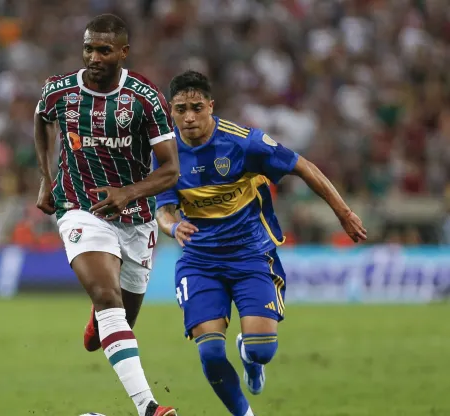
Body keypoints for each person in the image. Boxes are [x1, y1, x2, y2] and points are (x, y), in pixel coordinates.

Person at [154, 71, 367, 416]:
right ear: (171, 111)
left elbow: (304, 167)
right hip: (200, 262)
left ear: (211, 106)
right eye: (180, 109)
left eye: (196, 107)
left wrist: (343, 212)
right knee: (209, 352)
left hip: (250, 254)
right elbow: (162, 208)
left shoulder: (243, 142)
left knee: (262, 349)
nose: (189, 117)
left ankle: (250, 357)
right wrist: (173, 225)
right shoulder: (166, 153)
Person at [33, 13, 180, 416]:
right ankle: (149, 407)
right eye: (88, 48)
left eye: (103, 50)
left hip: (136, 218)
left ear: (122, 52)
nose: (93, 57)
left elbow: (171, 170)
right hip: (80, 208)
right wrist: (48, 179)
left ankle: (101, 320)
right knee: (105, 295)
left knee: (122, 315)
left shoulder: (145, 97)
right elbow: (42, 120)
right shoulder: (59, 91)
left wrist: (128, 193)